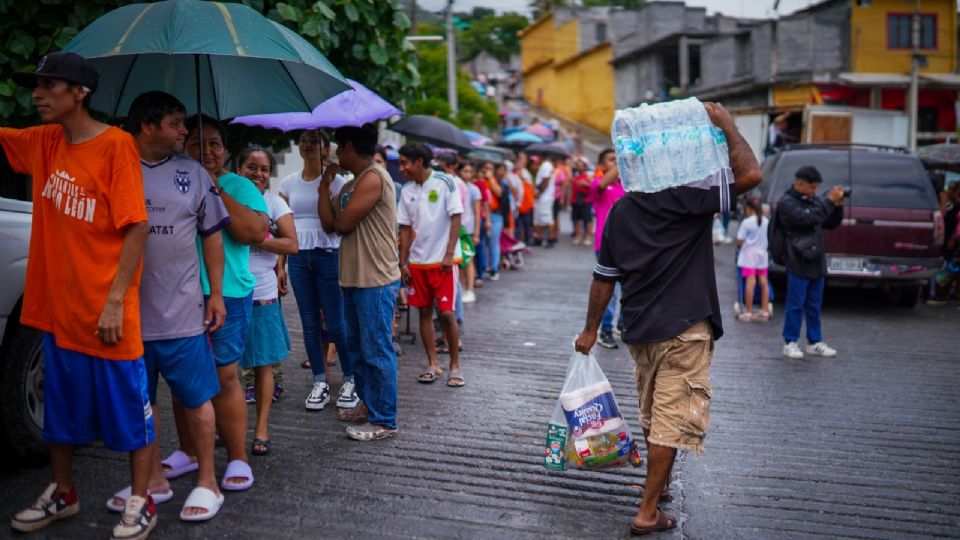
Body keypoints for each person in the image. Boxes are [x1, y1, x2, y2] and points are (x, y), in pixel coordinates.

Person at [575, 102, 762, 536]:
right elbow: (751, 175)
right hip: (685, 330)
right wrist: (728, 125)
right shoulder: (687, 201)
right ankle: (647, 512)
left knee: (655, 413)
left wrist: (589, 330)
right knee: (670, 418)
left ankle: (655, 492)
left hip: (640, 331)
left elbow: (604, 277)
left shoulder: (621, 211)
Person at [3, 52, 156, 539]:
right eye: (37, 85)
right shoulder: (45, 142)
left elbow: (137, 228)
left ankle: (141, 498)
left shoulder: (116, 146)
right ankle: (63, 493)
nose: (38, 94)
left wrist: (114, 300)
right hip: (59, 312)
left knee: (132, 412)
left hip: (107, 312)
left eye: (49, 85)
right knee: (60, 415)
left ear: (80, 92)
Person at [102, 91, 229, 524]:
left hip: (182, 313)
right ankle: (152, 481)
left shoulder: (193, 173)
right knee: (140, 401)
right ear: (148, 125)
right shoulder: (112, 167)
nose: (184, 132)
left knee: (196, 399)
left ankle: (208, 482)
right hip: (128, 314)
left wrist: (215, 293)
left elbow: (211, 234)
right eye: (176, 123)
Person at [169, 115, 268, 494]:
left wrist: (213, 188)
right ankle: (190, 452)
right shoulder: (172, 179)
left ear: (225, 150)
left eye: (214, 143)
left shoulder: (240, 185)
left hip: (227, 292)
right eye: (197, 143)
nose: (207, 150)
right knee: (182, 380)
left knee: (227, 377)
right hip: (179, 292)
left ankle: (238, 457)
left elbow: (253, 232)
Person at [317, 123, 402, 441]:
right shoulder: (353, 184)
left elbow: (341, 224)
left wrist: (331, 192)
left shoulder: (374, 177)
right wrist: (325, 184)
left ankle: (385, 420)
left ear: (350, 146)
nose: (336, 151)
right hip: (354, 278)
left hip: (376, 280)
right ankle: (370, 405)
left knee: (376, 350)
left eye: (340, 145)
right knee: (356, 347)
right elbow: (327, 222)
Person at [279, 130, 359, 411]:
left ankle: (351, 378)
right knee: (310, 324)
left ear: (326, 148)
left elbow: (340, 222)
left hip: (329, 254)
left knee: (336, 323)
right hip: (298, 257)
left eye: (315, 141)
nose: (308, 145)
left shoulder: (339, 183)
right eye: (303, 141)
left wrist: (327, 183)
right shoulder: (288, 183)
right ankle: (320, 381)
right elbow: (282, 226)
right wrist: (281, 266)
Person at [236, 145, 298, 456]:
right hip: (225, 291)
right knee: (223, 367)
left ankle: (261, 429)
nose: (258, 173)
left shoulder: (274, 204)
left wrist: (259, 237)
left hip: (261, 292)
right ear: (238, 169)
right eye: (252, 166)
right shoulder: (226, 200)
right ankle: (225, 427)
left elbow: (292, 244)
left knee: (263, 365)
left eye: (263, 169)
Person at [396, 143, 465, 388]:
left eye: (405, 162)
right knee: (423, 312)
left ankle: (455, 366)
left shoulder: (446, 182)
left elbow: (457, 216)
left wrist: (448, 253)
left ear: (419, 162)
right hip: (418, 263)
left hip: (444, 263)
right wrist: (402, 263)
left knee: (446, 313)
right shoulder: (406, 190)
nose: (401, 167)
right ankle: (432, 363)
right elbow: (404, 228)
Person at [776, 165, 844, 359]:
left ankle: (814, 342)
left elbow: (830, 222)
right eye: (811, 188)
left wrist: (838, 206)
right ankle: (790, 342)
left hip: (816, 259)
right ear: (799, 184)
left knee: (814, 304)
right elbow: (809, 218)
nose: (814, 192)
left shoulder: (814, 202)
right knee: (795, 304)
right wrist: (828, 202)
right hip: (797, 260)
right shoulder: (787, 203)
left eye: (816, 188)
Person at [590, 149, 626, 349]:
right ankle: (604, 330)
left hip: (628, 245)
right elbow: (603, 182)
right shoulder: (598, 185)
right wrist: (623, 159)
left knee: (628, 288)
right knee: (609, 291)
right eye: (611, 160)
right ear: (602, 166)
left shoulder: (625, 185)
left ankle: (622, 325)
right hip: (605, 245)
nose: (616, 163)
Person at [736, 195, 770, 321]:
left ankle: (749, 311)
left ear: (749, 209)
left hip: (749, 255)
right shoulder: (766, 221)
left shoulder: (747, 222)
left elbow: (740, 241)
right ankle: (765, 310)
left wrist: (741, 245)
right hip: (763, 254)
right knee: (763, 281)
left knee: (751, 282)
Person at [459, 162, 482, 304]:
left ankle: (470, 289)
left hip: (469, 230)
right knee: (460, 260)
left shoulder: (474, 190)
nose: (467, 174)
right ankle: (461, 287)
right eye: (464, 171)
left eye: (470, 171)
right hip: (459, 228)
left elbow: (477, 213)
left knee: (468, 259)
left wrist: (476, 233)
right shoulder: (456, 186)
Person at [533, 155, 555, 247]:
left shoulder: (546, 165)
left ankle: (550, 238)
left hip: (544, 198)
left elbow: (546, 180)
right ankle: (539, 238)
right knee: (539, 219)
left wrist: (539, 193)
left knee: (547, 219)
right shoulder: (544, 166)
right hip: (543, 197)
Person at [570, 157, 593, 246]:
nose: (578, 167)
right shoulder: (575, 177)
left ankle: (588, 237)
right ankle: (578, 236)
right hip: (576, 201)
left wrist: (586, 184)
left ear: (585, 167)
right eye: (577, 165)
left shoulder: (588, 176)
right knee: (577, 219)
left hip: (585, 201)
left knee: (587, 220)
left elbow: (594, 186)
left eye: (580, 165)